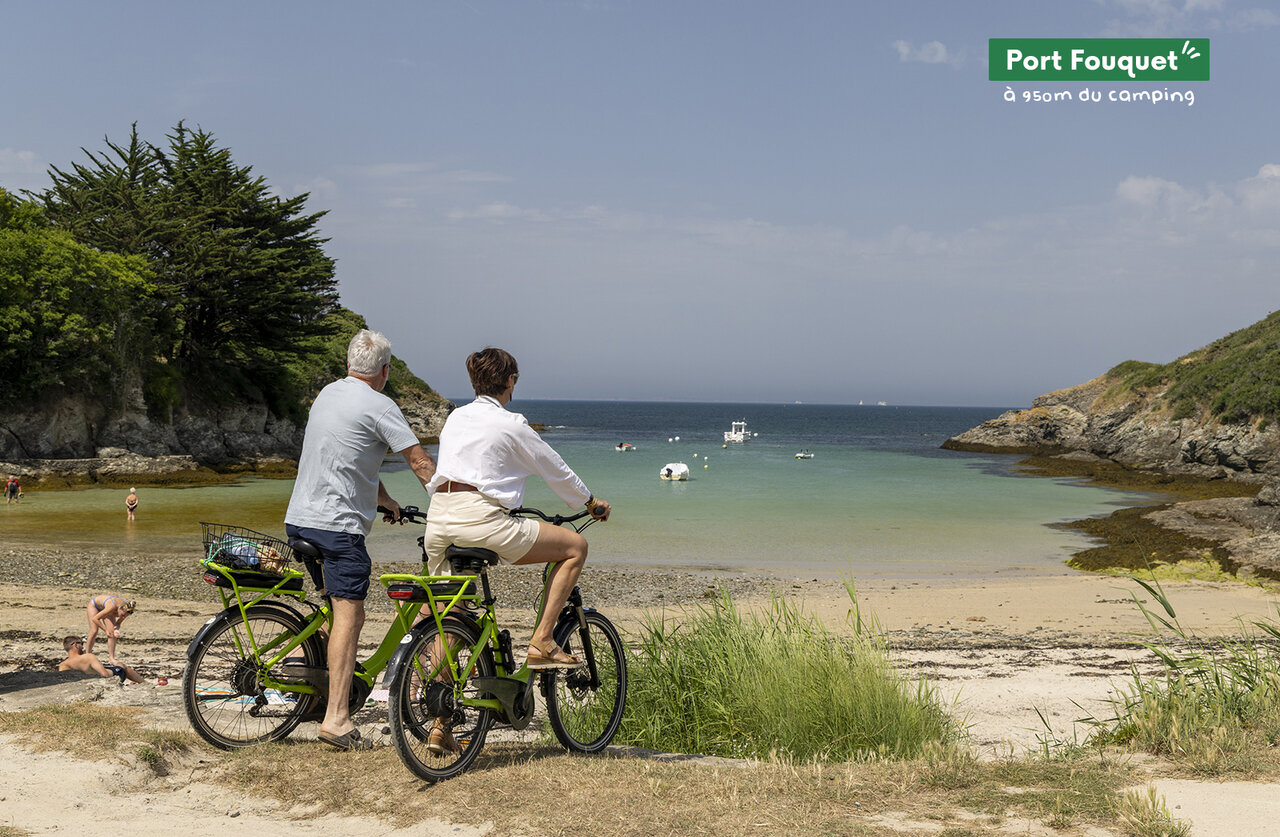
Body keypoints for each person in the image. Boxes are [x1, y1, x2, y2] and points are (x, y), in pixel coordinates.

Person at [423, 347, 610, 755]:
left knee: (452, 611)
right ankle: (543, 639)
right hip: (482, 520)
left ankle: (439, 723)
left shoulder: (456, 417)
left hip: (439, 519)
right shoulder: (512, 423)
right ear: (510, 382)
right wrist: (590, 502)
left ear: (475, 382)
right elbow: (553, 467)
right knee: (575, 546)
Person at [284, 329, 436, 751]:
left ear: (349, 365)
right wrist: (451, 505)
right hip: (337, 530)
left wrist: (385, 501)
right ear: (384, 371)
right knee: (352, 615)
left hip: (300, 520)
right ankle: (336, 719)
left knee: (334, 610)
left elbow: (347, 461)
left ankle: (318, 697)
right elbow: (420, 461)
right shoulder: (381, 404)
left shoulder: (327, 394)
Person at [58, 636, 143, 684]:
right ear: (76, 645)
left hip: (87, 682)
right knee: (121, 665)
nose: (83, 646)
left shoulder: (63, 665)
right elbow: (105, 675)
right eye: (82, 643)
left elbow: (65, 681)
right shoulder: (88, 657)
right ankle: (145, 683)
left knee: (106, 667)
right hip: (114, 675)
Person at [85, 594, 135, 664]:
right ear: (119, 609)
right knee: (94, 631)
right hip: (95, 606)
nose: (123, 617)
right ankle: (87, 655)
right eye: (122, 615)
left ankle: (111, 658)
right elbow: (95, 619)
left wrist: (116, 630)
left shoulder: (126, 610)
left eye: (125, 616)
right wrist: (105, 630)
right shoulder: (112, 607)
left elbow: (117, 624)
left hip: (107, 610)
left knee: (112, 633)